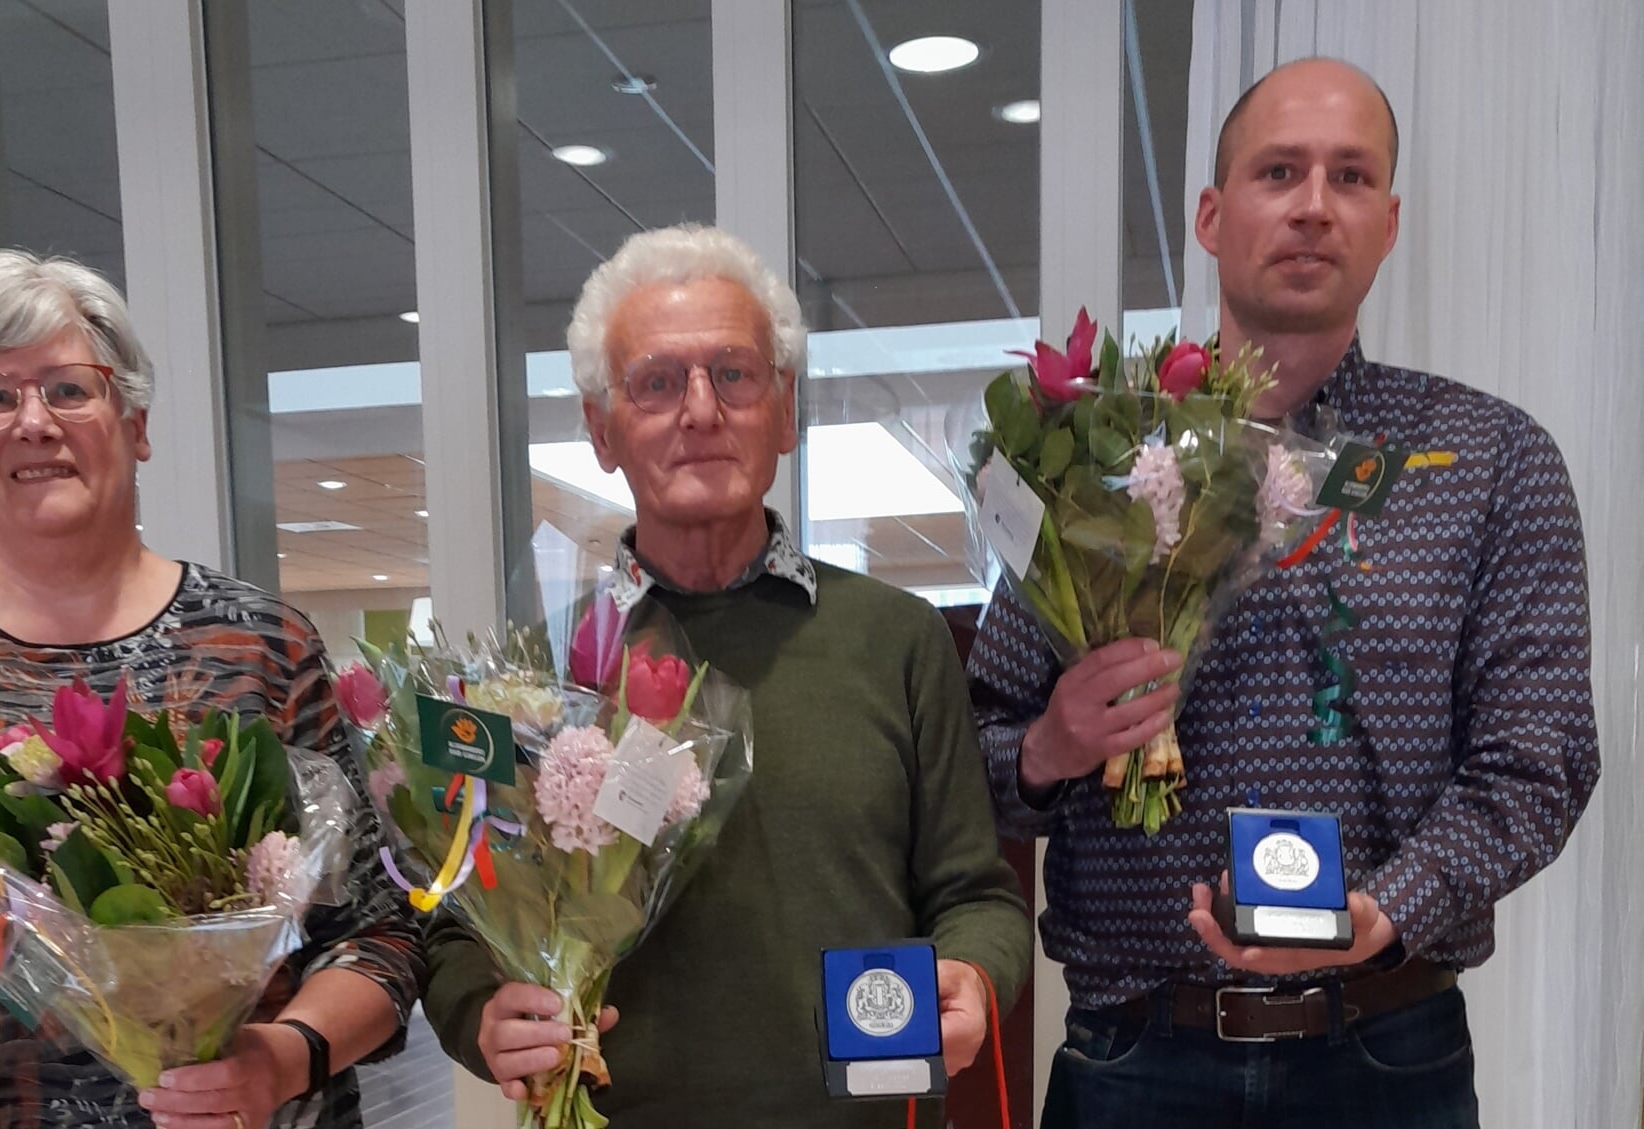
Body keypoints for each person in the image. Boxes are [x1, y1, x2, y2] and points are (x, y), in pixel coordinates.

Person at [968, 57, 1600, 1129]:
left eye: (1349, 177)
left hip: (1386, 1052)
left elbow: (1537, 759)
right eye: (1278, 171)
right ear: (1213, 214)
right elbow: (976, 756)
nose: (1312, 205)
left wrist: (1388, 909)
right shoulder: (1092, 454)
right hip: (1133, 1057)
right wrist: (1051, 748)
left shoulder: (1490, 460)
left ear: (1387, 223)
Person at [0, 250, 422, 1129]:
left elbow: (377, 936)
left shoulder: (259, 644)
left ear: (135, 420)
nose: (34, 422)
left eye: (69, 388)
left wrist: (280, 1059)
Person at [423, 224, 1033, 1127]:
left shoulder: (895, 639)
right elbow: (451, 920)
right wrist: (479, 1011)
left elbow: (976, 895)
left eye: (734, 373)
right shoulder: (537, 676)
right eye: (657, 381)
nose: (700, 410)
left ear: (783, 411)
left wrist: (973, 978)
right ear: (601, 427)